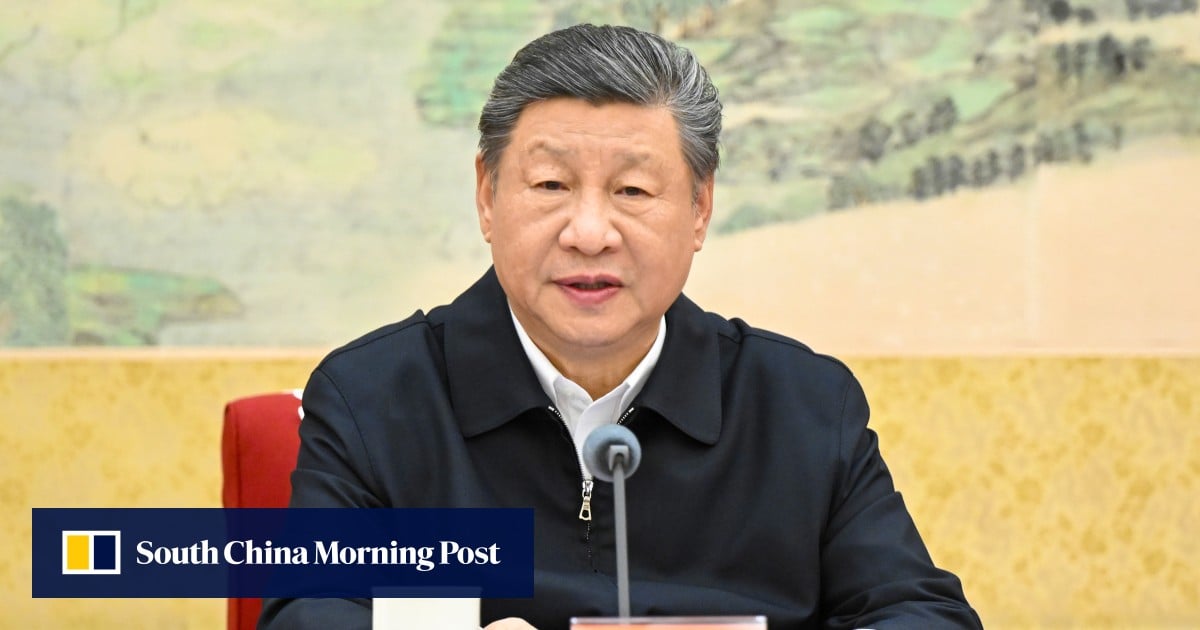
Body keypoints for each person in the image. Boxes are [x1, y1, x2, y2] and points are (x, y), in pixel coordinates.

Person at [260, 24, 982, 630]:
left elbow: (920, 612)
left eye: (633, 190)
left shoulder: (802, 405)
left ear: (699, 209)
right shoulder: (375, 397)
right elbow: (309, 611)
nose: (589, 232)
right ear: (487, 195)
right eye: (551, 185)